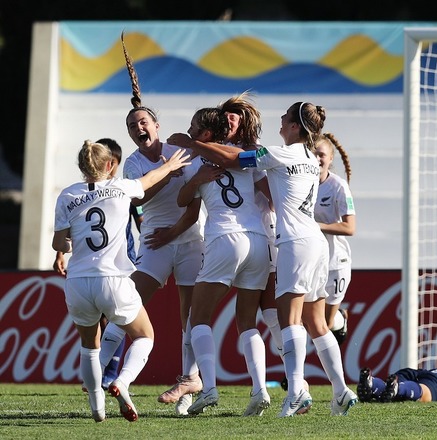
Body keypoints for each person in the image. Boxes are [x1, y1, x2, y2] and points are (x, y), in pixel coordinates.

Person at [167, 101, 358, 417]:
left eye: (284, 119)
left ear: (295, 126)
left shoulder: (282, 153)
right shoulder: (311, 157)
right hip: (316, 243)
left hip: (294, 243)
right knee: (316, 322)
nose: (280, 124)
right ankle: (340, 390)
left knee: (290, 320)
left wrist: (192, 143)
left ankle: (296, 391)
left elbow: (234, 158)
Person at [99, 36, 205, 417]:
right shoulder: (133, 164)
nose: (138, 129)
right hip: (155, 244)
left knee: (191, 316)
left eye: (142, 122)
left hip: (188, 239)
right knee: (127, 300)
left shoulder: (180, 151)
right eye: (132, 126)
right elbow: (138, 199)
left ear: (156, 124)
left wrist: (176, 231)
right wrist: (166, 172)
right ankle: (99, 373)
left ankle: (188, 386)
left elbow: (194, 204)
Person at [52, 139, 191, 422]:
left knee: (90, 346)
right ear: (109, 165)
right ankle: (123, 381)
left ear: (81, 166)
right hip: (112, 279)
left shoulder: (66, 195)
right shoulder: (120, 187)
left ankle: (97, 407)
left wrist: (70, 244)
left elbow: (60, 243)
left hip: (78, 281)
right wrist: (172, 165)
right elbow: (149, 179)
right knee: (145, 336)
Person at [174, 101, 274, 417]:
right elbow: (268, 193)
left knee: (197, 318)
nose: (189, 133)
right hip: (258, 240)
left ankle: (210, 389)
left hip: (223, 238)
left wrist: (195, 174)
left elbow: (181, 200)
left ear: (205, 133)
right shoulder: (244, 157)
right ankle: (260, 389)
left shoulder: (196, 161)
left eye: (193, 128)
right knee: (248, 321)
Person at [52, 138, 142, 391]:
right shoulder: (123, 188)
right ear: (109, 164)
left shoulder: (72, 194)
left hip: (110, 262)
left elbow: (141, 217)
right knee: (121, 321)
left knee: (106, 325)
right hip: (111, 268)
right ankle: (112, 376)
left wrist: (61, 252)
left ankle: (105, 376)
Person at [313, 133, 355, 346]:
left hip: (335, 262)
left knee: (326, 323)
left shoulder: (338, 186)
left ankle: (341, 318)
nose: (318, 159)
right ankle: (294, 376)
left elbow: (350, 227)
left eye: (322, 155)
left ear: (330, 159)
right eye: (314, 154)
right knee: (308, 320)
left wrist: (317, 226)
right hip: (311, 261)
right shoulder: (301, 184)